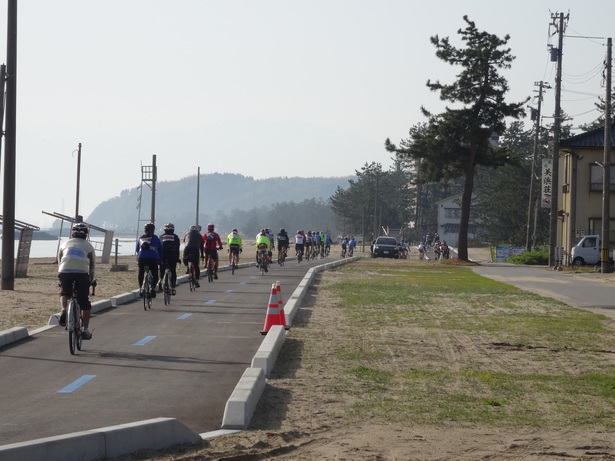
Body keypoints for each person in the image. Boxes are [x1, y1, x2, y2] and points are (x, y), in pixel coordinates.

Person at [57, 223, 96, 339]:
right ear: (86, 235)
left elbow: (59, 260)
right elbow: (93, 265)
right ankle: (85, 329)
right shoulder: (88, 246)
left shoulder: (65, 243)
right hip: (81, 274)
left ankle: (64, 310)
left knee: (65, 293)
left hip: (64, 272)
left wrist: (61, 276)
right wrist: (91, 279)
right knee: (84, 302)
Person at [136, 223, 162, 298]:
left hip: (142, 259)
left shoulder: (140, 238)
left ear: (145, 230)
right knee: (155, 275)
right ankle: (152, 288)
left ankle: (141, 288)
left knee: (141, 272)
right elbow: (160, 250)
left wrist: (139, 258)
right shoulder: (156, 238)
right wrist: (160, 260)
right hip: (152, 259)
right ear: (153, 230)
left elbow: (137, 250)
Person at [159, 223, 181, 295]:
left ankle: (161, 280)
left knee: (162, 268)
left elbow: (159, 248)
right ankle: (173, 288)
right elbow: (177, 249)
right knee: (173, 271)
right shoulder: (175, 237)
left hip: (163, 256)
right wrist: (177, 258)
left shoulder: (161, 236)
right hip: (172, 256)